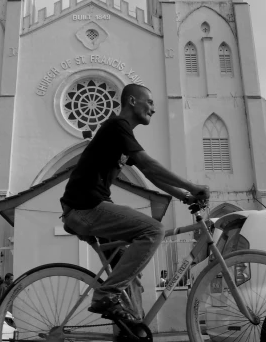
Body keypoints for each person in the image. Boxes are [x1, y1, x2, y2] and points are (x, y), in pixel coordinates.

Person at [61, 83, 209, 325]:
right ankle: (105, 294)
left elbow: (150, 175)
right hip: (85, 207)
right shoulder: (117, 126)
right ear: (132, 101)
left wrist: (184, 197)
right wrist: (193, 187)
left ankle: (136, 340)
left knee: (131, 281)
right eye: (149, 102)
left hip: (86, 210)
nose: (153, 108)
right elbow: (150, 165)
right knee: (154, 230)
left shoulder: (120, 134)